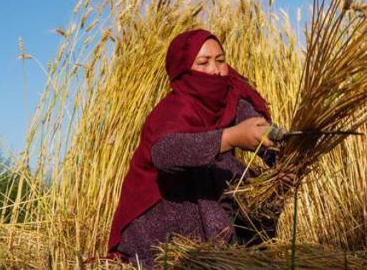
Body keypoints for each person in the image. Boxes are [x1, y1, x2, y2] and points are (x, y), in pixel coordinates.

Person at [105, 28, 283, 268]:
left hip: (207, 205)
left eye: (220, 60)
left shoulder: (231, 95)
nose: (214, 70)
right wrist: (229, 138)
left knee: (243, 183)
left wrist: (281, 159)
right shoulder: (173, 108)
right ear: (183, 70)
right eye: (203, 62)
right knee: (213, 175)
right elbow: (165, 153)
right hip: (162, 222)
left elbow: (258, 129)